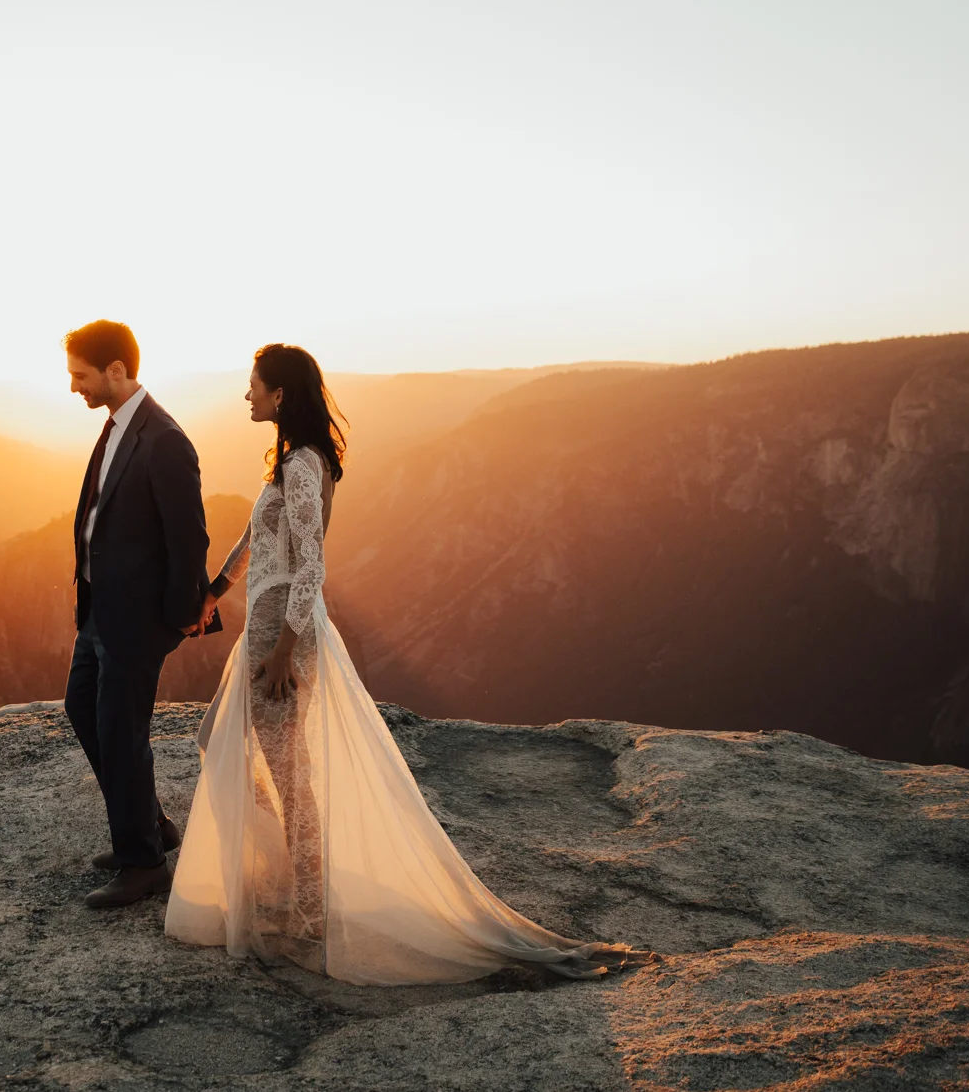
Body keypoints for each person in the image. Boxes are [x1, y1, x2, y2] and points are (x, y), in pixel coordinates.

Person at [166, 343, 648, 983]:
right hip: (263, 625)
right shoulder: (288, 461)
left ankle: (307, 911)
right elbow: (259, 535)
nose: (246, 395)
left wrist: (286, 645)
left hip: (282, 631)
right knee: (231, 746)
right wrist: (217, 589)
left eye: (253, 386)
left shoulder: (305, 466)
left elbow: (311, 563)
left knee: (286, 774)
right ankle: (284, 882)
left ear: (281, 395)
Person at [62, 320, 211, 909]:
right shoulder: (119, 426)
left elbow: (189, 539)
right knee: (83, 709)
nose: (74, 386)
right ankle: (152, 824)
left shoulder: (166, 440)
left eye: (81, 375)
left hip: (137, 620)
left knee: (122, 735)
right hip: (100, 609)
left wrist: (173, 622)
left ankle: (144, 864)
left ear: (116, 370)